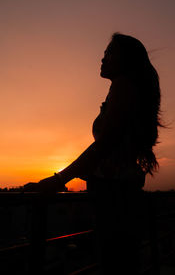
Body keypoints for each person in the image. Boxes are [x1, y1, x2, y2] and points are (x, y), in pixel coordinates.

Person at [24, 32, 163, 273]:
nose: (102, 58)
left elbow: (105, 145)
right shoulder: (126, 90)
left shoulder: (124, 86)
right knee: (122, 261)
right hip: (120, 192)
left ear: (125, 59)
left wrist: (59, 179)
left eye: (109, 53)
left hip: (115, 194)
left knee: (116, 262)